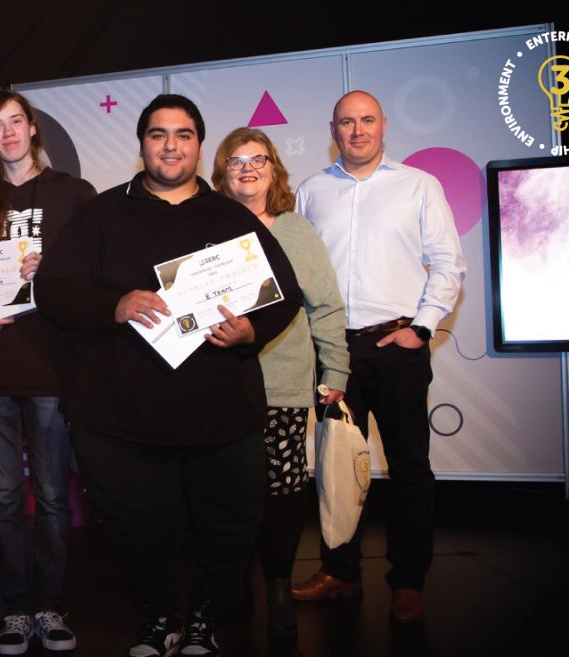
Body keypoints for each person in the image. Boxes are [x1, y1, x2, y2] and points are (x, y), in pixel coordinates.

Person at [36, 94, 303, 657]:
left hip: (219, 409)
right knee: (139, 527)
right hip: (120, 414)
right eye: (158, 135)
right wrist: (114, 305)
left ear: (199, 145)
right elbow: (54, 288)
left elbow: (284, 294)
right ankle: (158, 617)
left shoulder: (233, 217)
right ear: (142, 145)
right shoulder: (102, 213)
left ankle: (205, 617)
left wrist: (249, 333)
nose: (170, 145)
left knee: (225, 523)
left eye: (183, 135)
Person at [292, 90, 465, 624]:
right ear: (333, 128)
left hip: (396, 346)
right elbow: (296, 270)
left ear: (383, 125)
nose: (358, 130)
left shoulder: (419, 185)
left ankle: (408, 582)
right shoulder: (311, 190)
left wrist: (421, 328)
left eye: (367, 120)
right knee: (336, 466)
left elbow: (447, 264)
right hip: (333, 350)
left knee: (410, 468)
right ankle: (340, 571)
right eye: (347, 122)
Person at [0, 90, 96, 655]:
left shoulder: (75, 194)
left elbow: (91, 276)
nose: (9, 133)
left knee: (54, 498)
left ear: (34, 129)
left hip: (52, 367)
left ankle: (49, 606)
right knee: (4, 499)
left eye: (17, 122)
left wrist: (52, 268)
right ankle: (15, 610)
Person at [212, 127, 350, 637]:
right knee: (226, 491)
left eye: (258, 159)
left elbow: (327, 306)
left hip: (283, 382)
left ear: (275, 169)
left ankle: (276, 583)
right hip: (217, 383)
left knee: (282, 489)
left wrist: (336, 370)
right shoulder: (205, 230)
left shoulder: (296, 231)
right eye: (236, 161)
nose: (247, 168)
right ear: (222, 172)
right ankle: (235, 586)